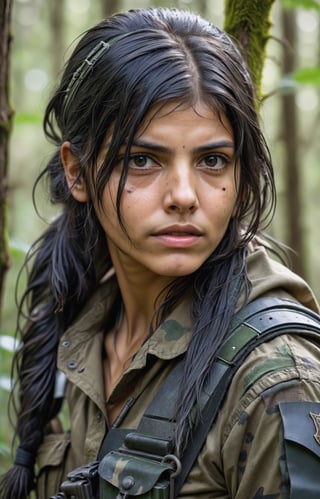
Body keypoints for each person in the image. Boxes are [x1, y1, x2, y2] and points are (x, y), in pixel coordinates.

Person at [1, 6, 320, 499]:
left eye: (213, 160)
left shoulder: (276, 379)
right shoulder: (75, 327)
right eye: (144, 160)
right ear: (78, 172)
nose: (184, 195)